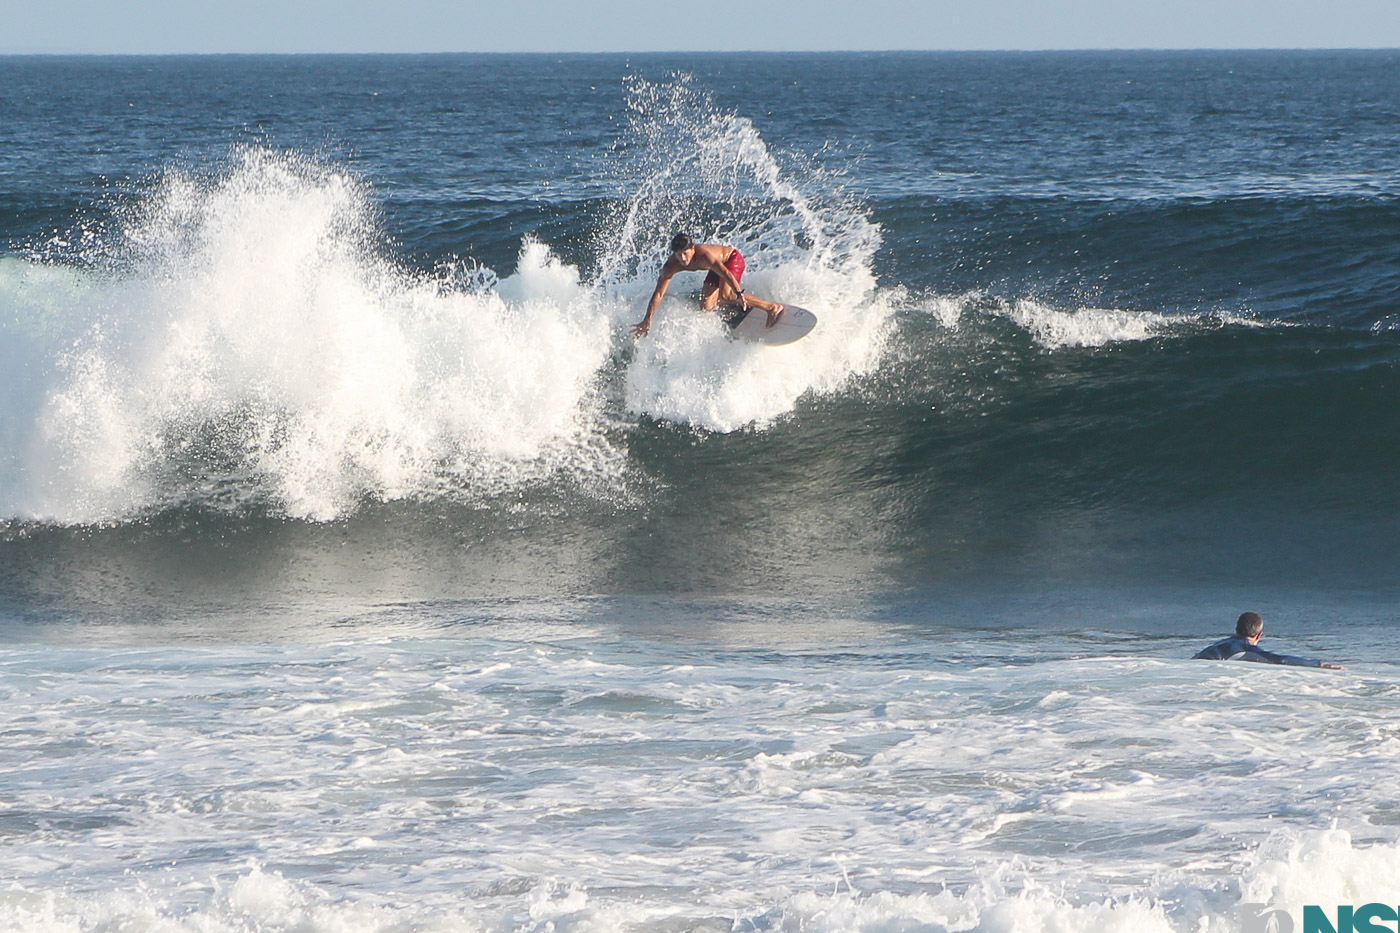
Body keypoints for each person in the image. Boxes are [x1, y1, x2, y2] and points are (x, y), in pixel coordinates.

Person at [631, 234, 785, 338]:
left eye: (685, 253)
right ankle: (733, 308)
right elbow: (658, 294)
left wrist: (738, 293)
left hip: (731, 260)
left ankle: (771, 308)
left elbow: (725, 273)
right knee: (706, 306)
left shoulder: (704, 256)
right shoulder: (670, 266)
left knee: (726, 295)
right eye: (678, 254)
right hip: (716, 269)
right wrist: (647, 320)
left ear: (692, 249)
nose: (682, 258)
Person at [1193, 612, 1342, 669]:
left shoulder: (1222, 643)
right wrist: (1318, 664)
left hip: (1192, 666)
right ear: (1259, 635)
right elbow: (1280, 660)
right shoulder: (1246, 647)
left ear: (1236, 629)